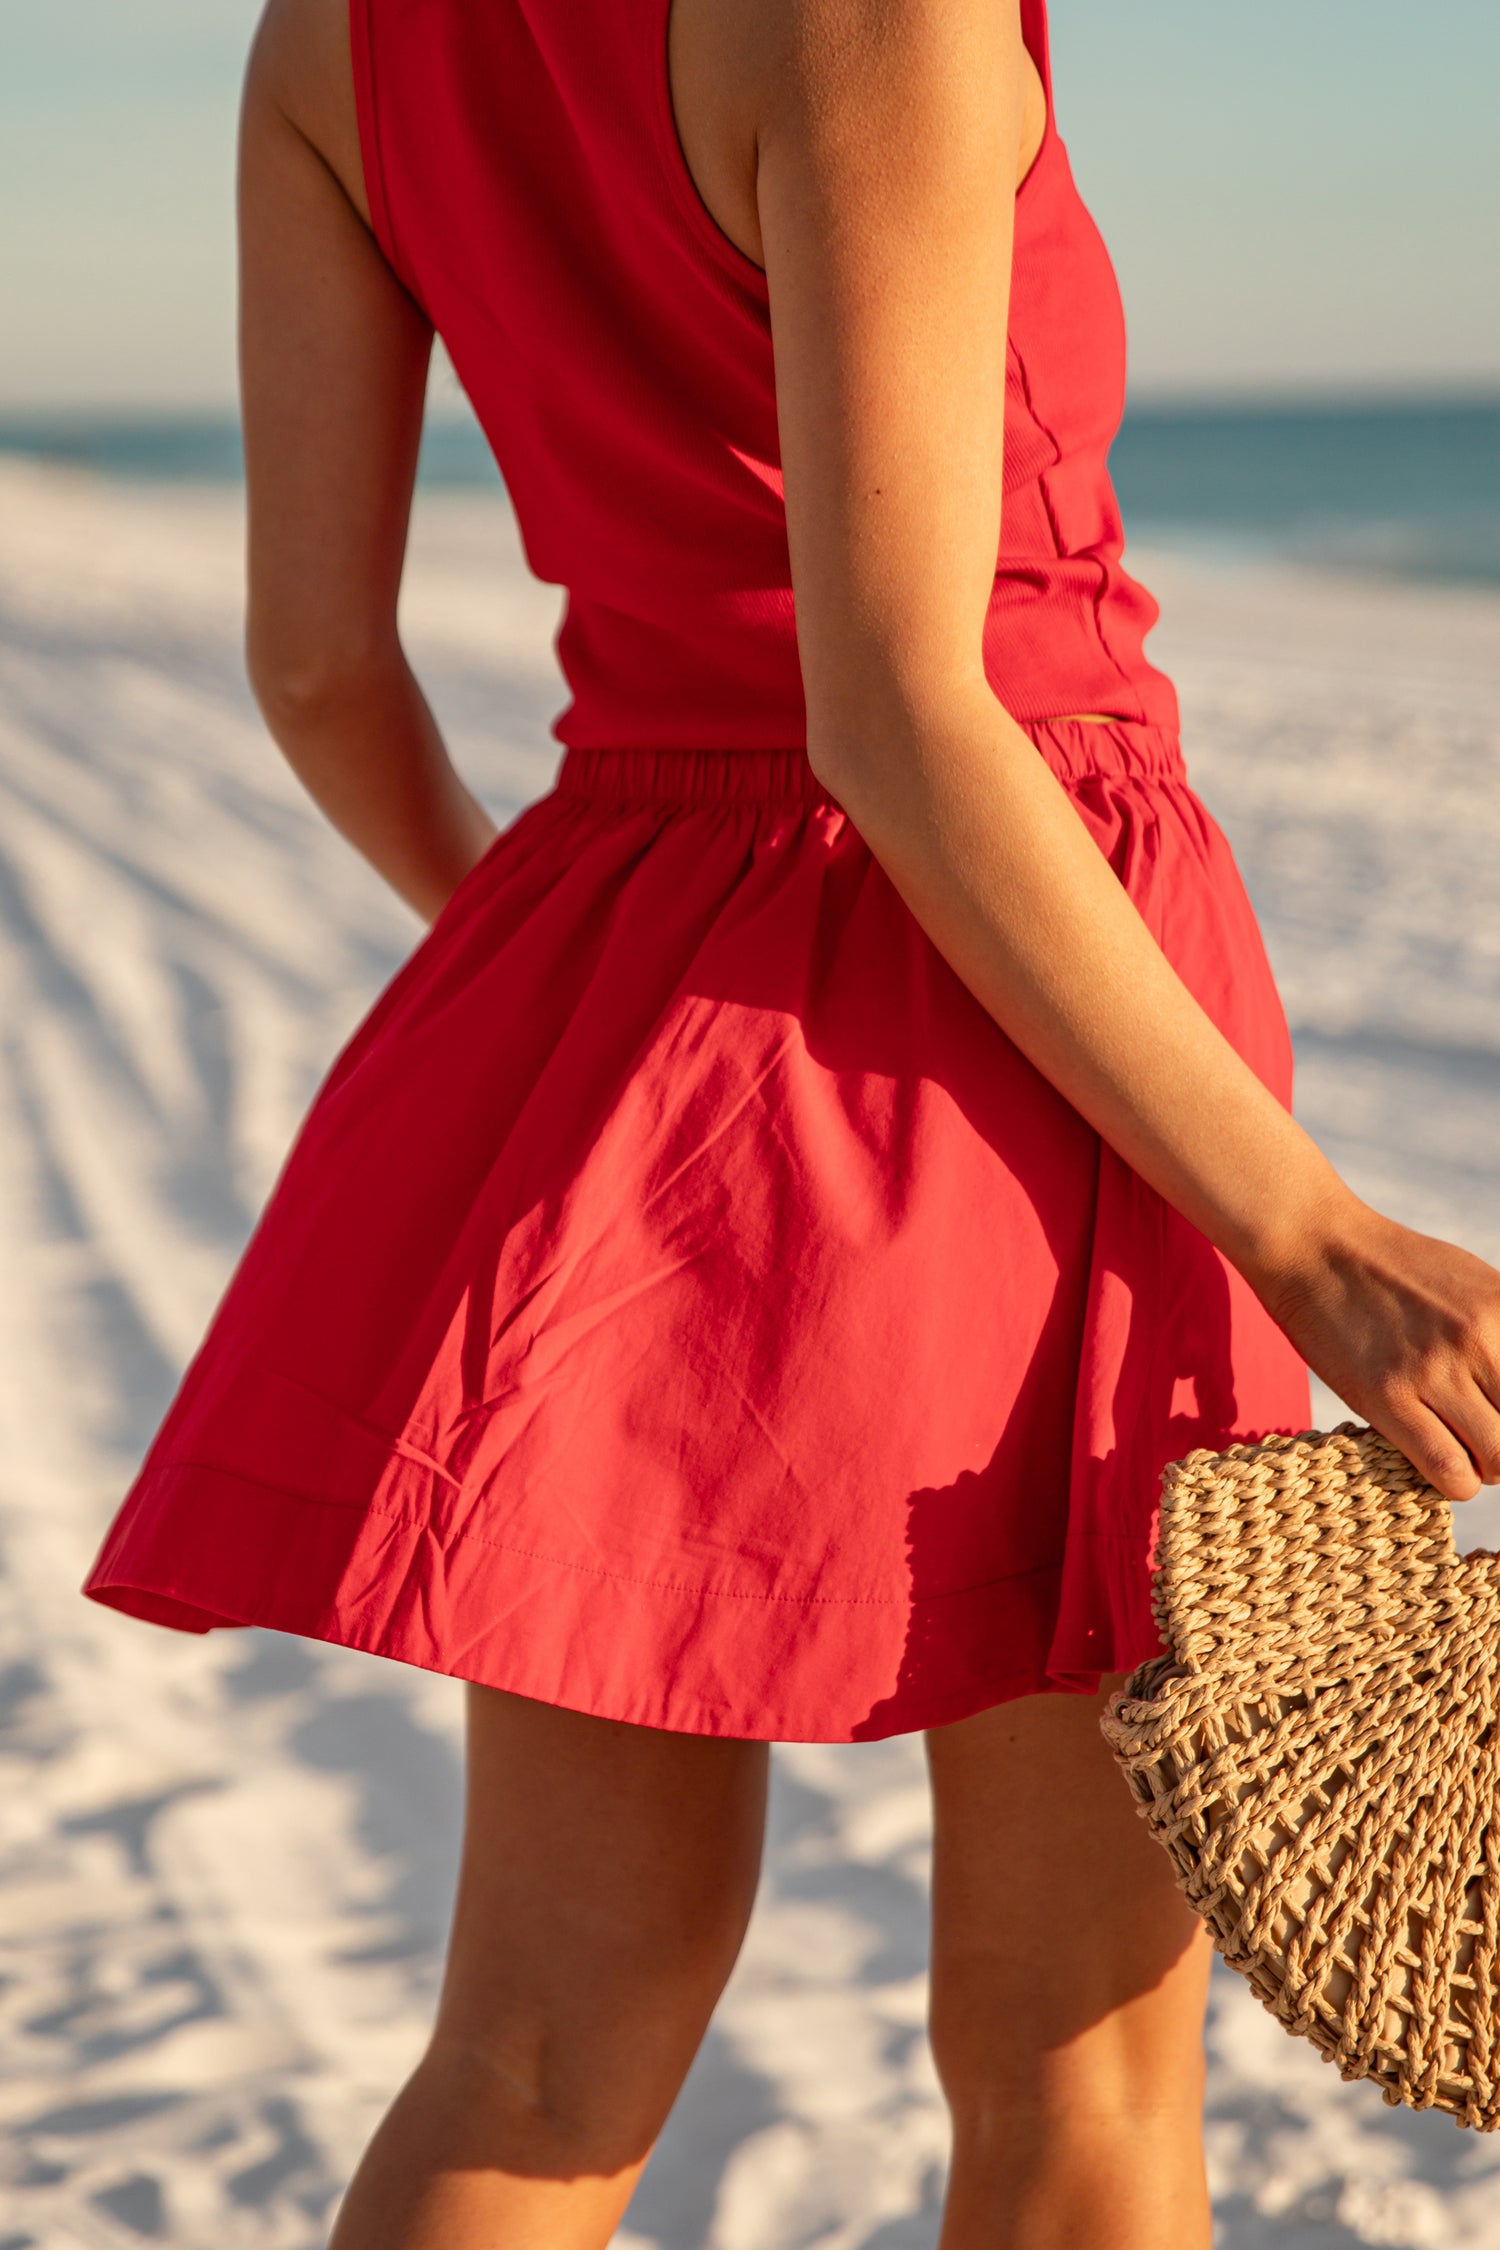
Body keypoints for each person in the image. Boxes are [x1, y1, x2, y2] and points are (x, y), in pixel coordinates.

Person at [81, 0, 1500, 2243]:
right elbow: (906, 707)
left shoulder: (330, 41)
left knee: (541, 2041)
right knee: (1082, 2079)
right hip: (1034, 1005)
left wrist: (636, 1021)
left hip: (640, 945)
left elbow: (319, 672)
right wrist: (1314, 1234)